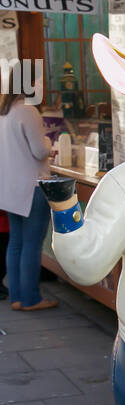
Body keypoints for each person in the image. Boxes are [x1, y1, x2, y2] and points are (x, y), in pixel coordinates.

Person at [0, 91, 57, 310]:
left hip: (10, 188)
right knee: (32, 244)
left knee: (16, 243)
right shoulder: (28, 111)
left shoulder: (5, 112)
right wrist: (47, 140)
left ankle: (16, 297)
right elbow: (40, 151)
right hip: (32, 185)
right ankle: (31, 299)